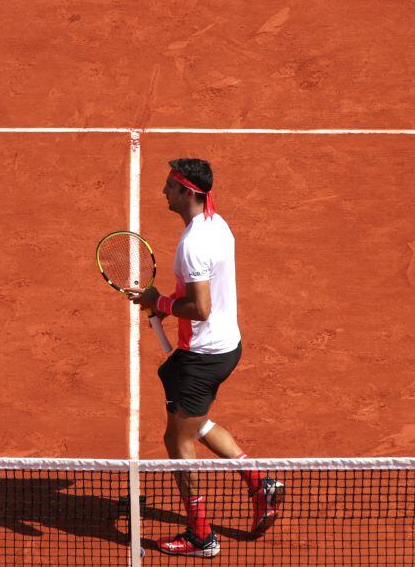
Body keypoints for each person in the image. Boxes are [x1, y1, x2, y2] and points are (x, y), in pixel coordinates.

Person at [127, 158, 284, 558]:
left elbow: (199, 308)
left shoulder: (192, 245)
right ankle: (258, 480)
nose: (163, 191)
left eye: (169, 186)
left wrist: (157, 301)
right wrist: (165, 307)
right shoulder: (218, 223)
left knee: (177, 440)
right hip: (225, 347)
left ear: (187, 192)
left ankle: (201, 536)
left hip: (201, 356)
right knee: (193, 423)